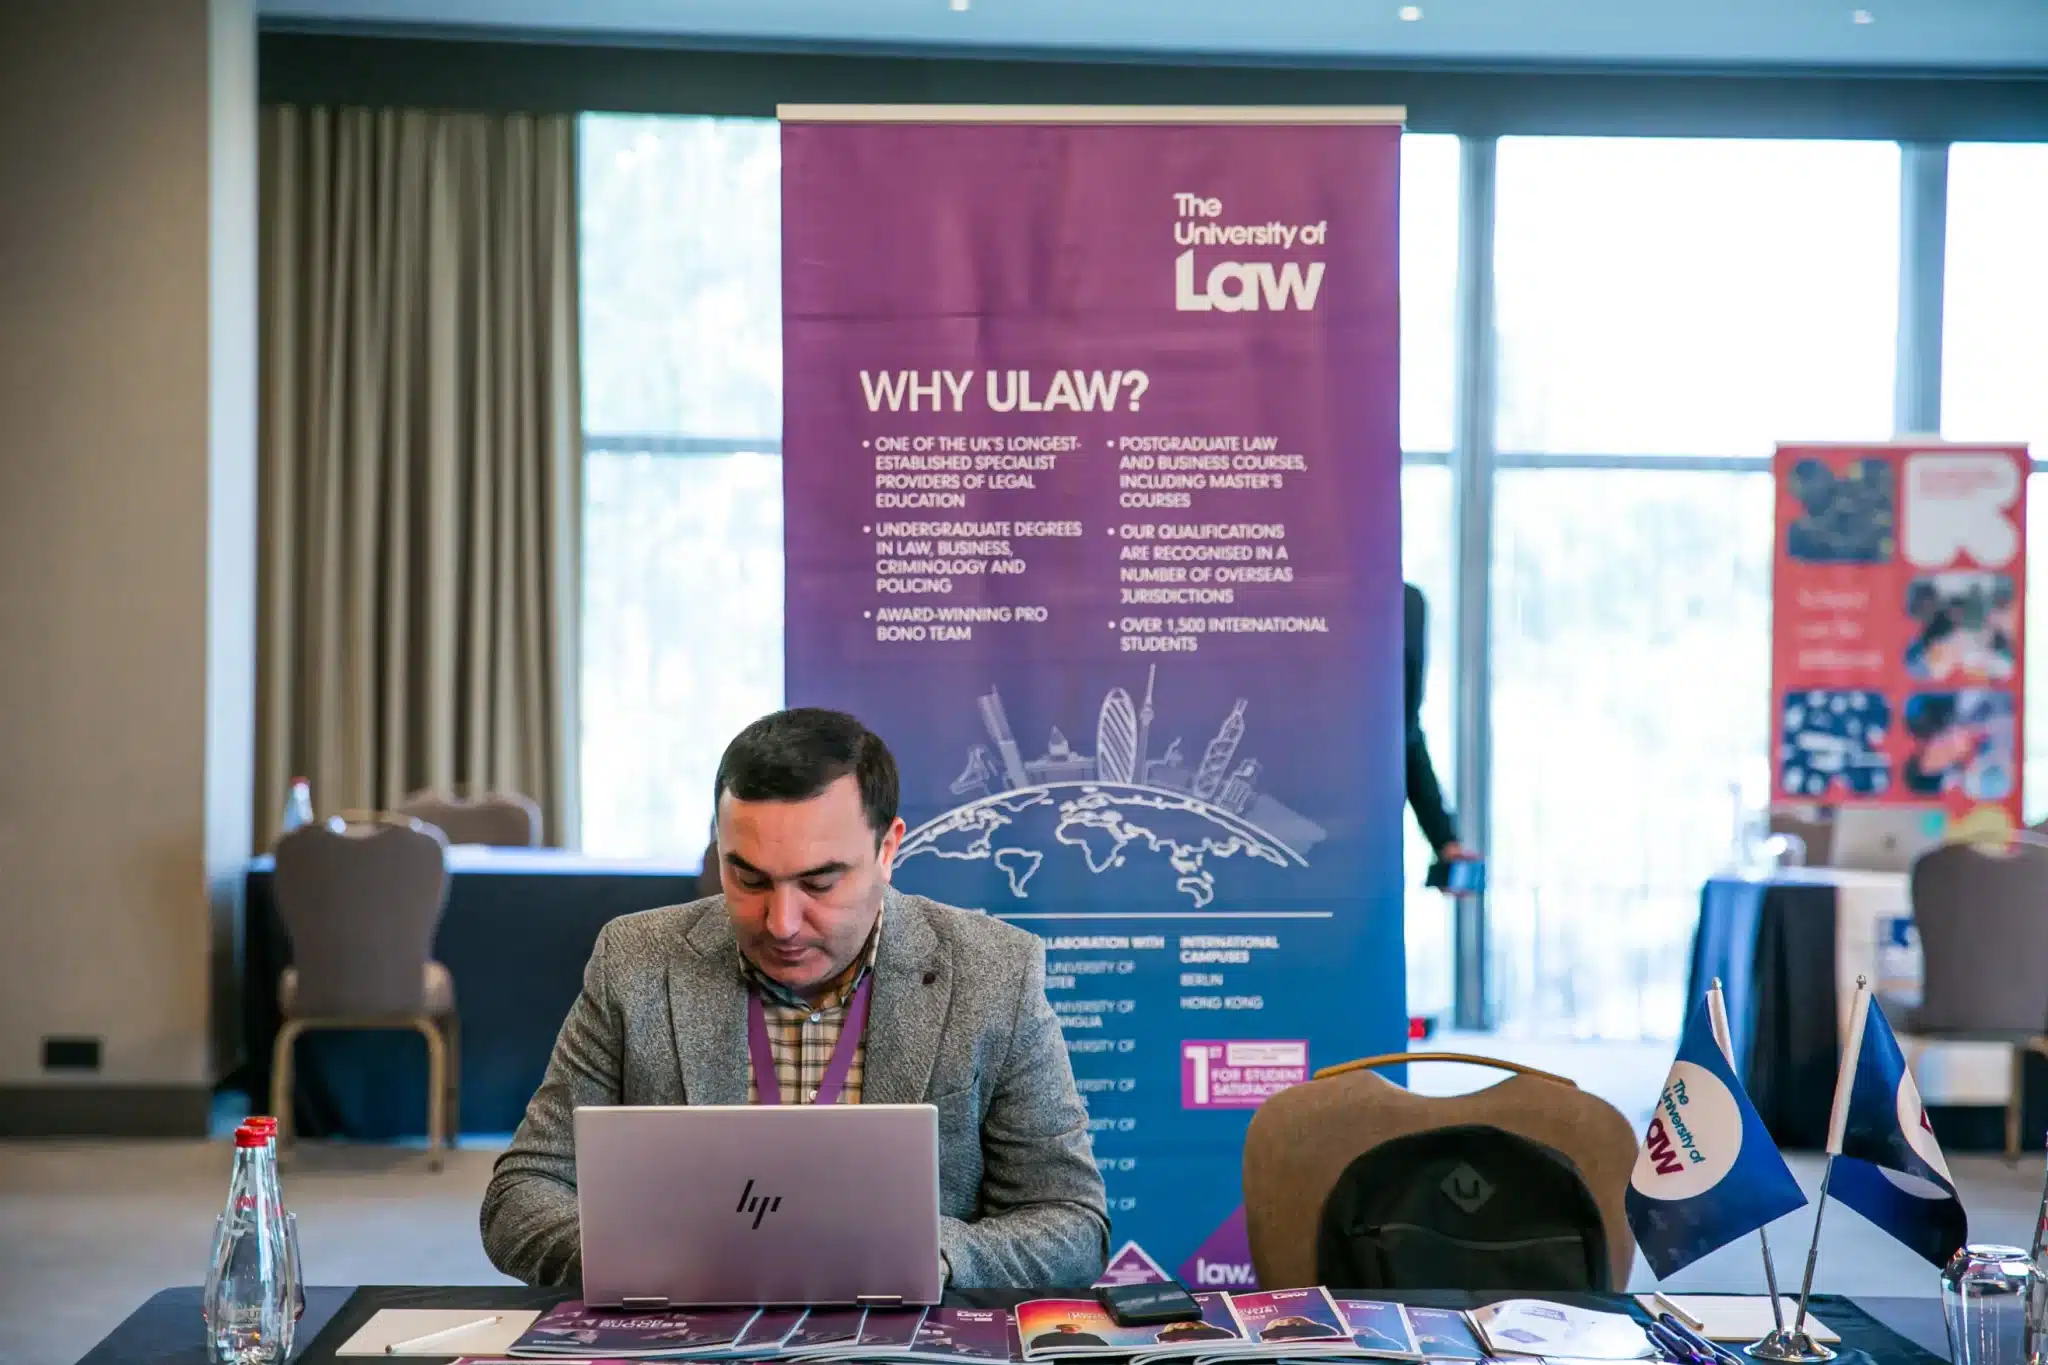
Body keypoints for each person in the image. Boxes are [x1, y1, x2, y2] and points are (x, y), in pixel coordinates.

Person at [480, 708, 1109, 1289]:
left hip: (904, 1341)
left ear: (888, 850)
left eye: (820, 882)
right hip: (683, 1334)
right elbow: (522, 1193)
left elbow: (1071, 1223)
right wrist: (646, 1253)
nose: (781, 923)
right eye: (748, 878)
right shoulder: (635, 961)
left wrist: (928, 1252)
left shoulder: (993, 972)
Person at [1405, 582, 1476, 890]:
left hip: (1368, 843)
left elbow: (1405, 729)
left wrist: (1443, 839)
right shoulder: (1283, 587)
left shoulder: (1407, 604)